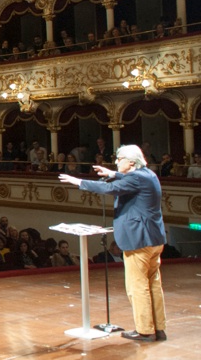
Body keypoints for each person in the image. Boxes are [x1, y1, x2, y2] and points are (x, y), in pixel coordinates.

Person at [59, 144, 167, 342]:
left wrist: (79, 182)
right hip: (154, 239)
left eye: (119, 159)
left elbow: (109, 188)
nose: (116, 162)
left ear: (131, 163)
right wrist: (113, 173)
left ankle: (145, 330)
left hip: (139, 240)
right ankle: (158, 328)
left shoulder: (135, 178)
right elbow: (129, 180)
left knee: (137, 286)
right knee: (153, 285)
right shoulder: (148, 174)